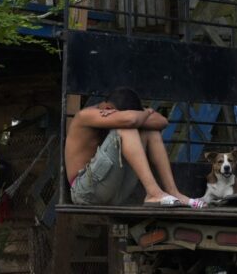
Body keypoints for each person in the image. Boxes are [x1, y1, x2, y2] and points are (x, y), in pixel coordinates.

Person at [65, 86, 206, 208]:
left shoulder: (114, 111)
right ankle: (154, 193)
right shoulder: (86, 115)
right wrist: (147, 112)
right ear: (108, 108)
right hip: (84, 192)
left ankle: (173, 192)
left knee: (149, 131)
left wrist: (140, 115)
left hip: (113, 191)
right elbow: (131, 120)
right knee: (127, 129)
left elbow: (162, 122)